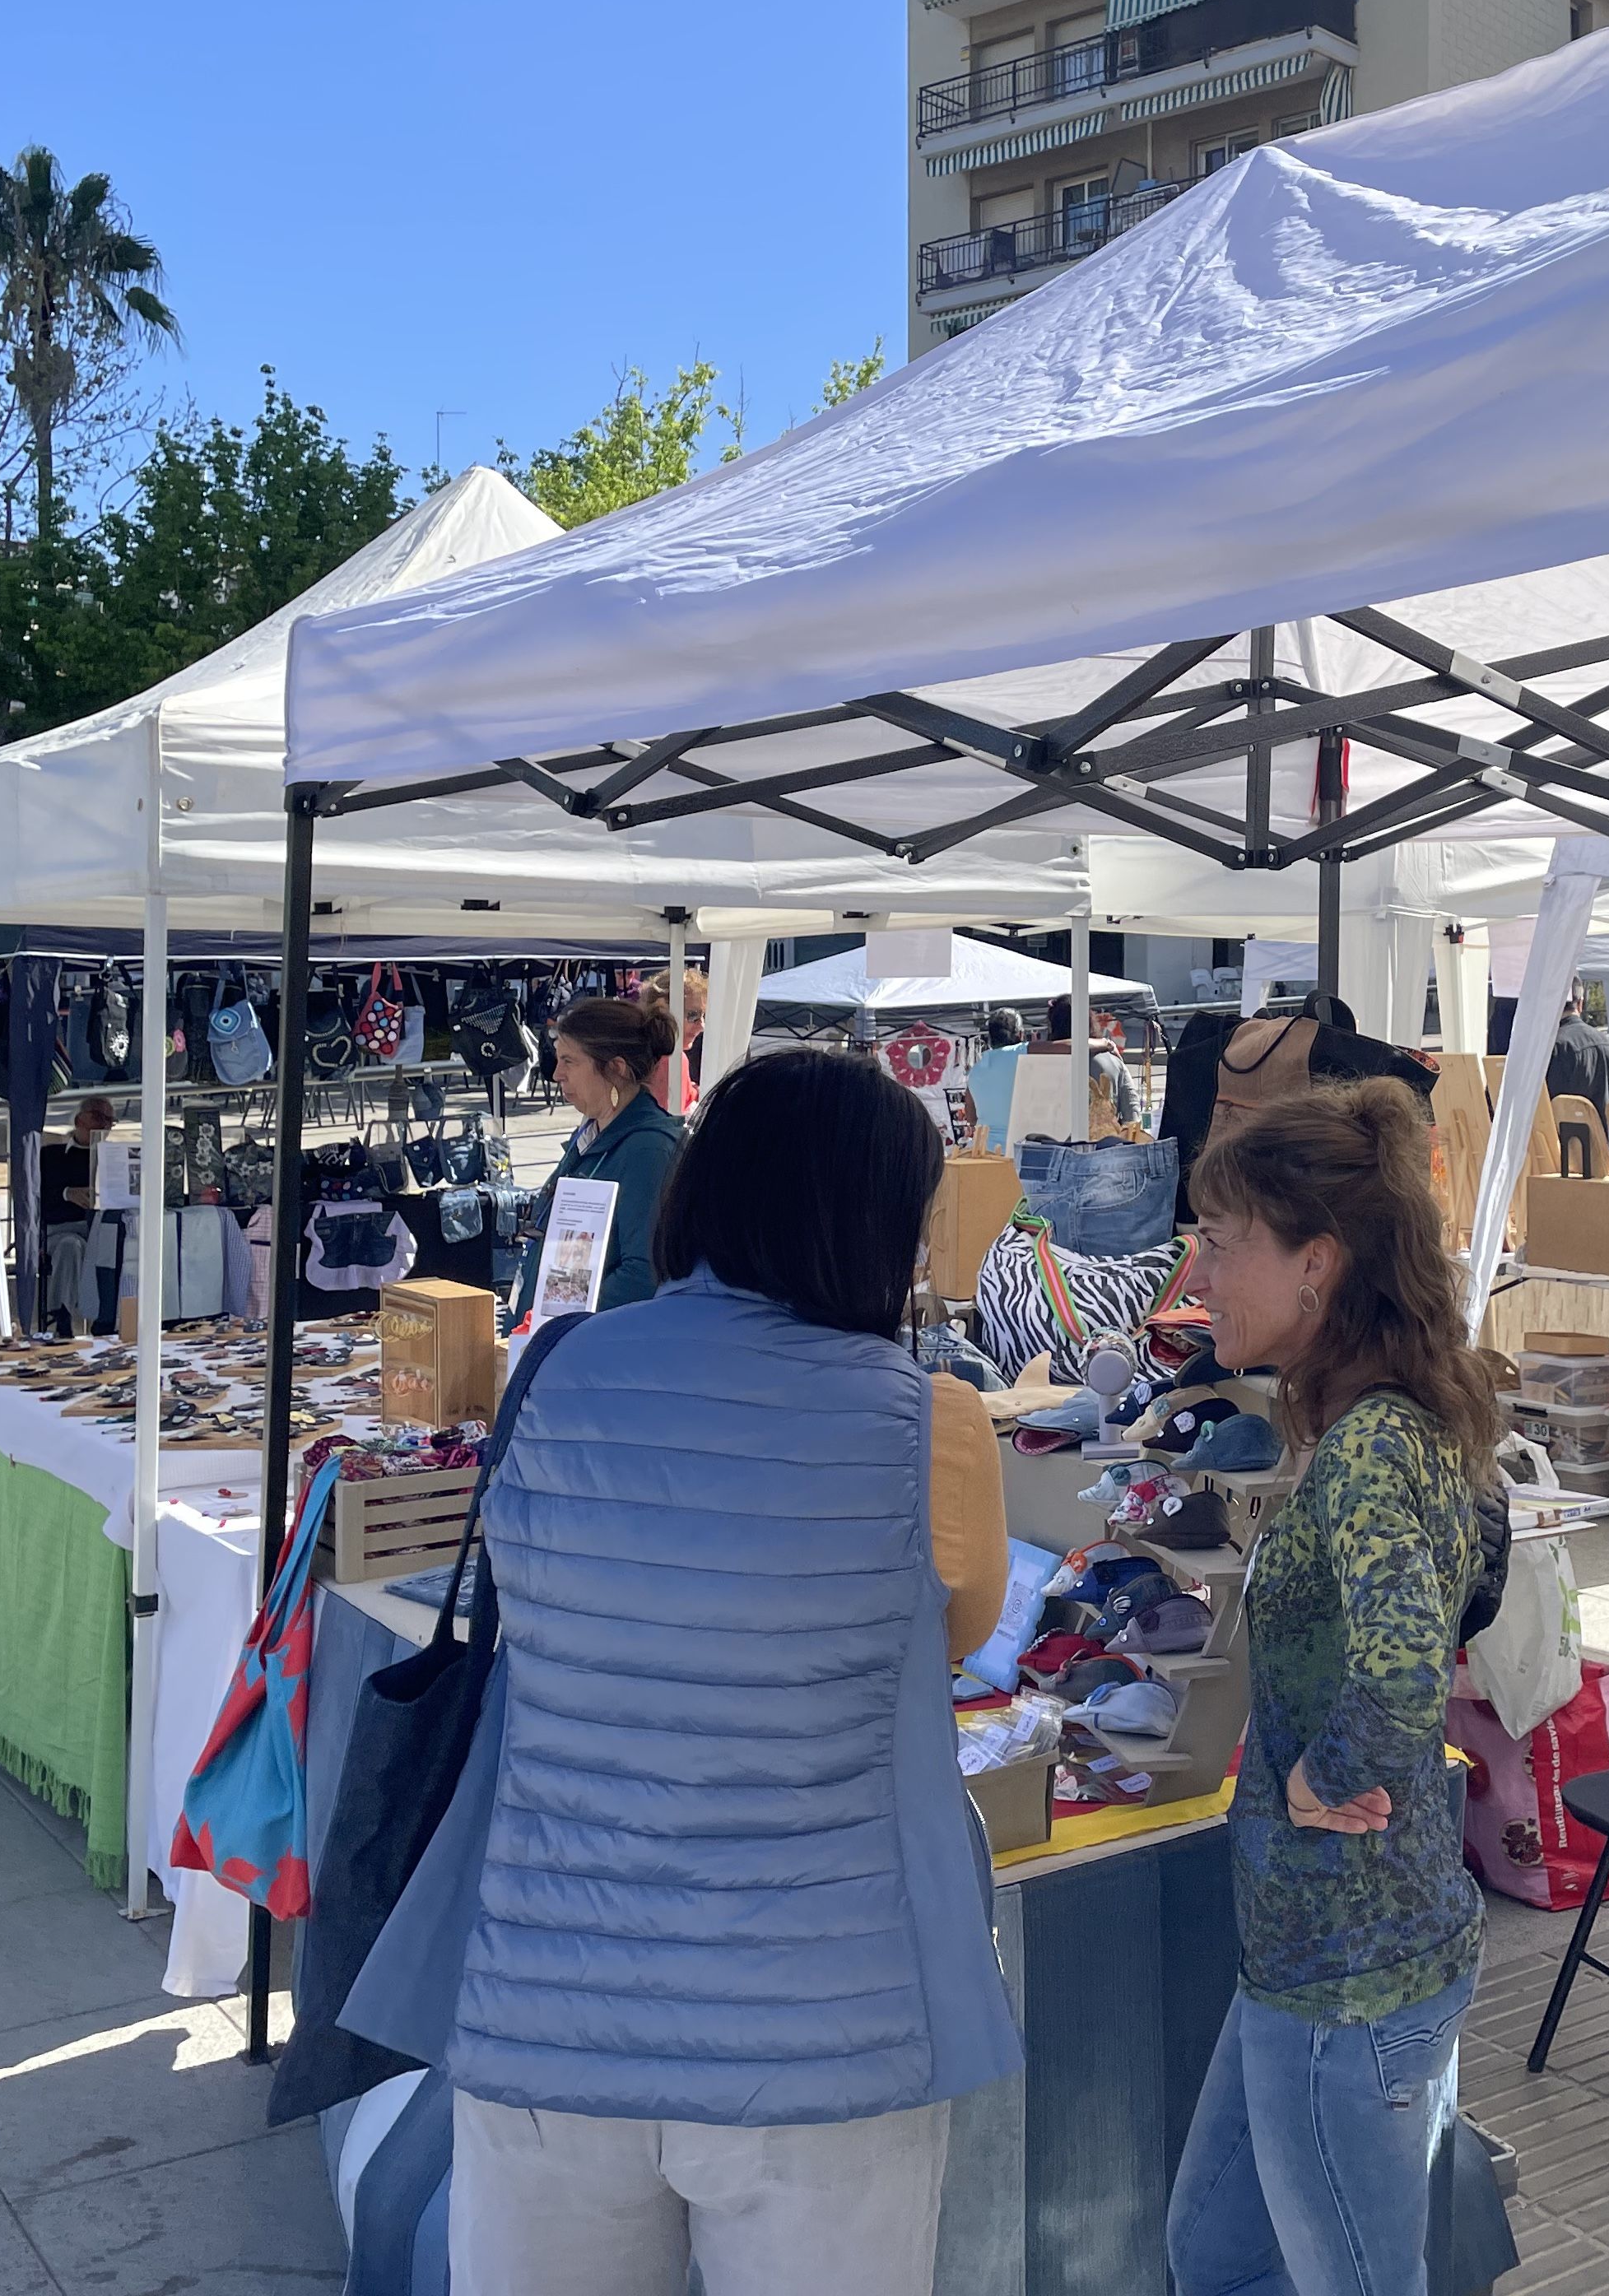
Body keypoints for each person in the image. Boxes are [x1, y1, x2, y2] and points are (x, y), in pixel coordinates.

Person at [449, 1049, 1018, 2295]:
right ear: (870, 1222)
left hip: (552, 2002)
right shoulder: (935, 1423)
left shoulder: (552, 1376)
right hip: (824, 2023)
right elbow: (955, 1632)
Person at [1168, 1080, 1501, 2296]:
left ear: (1316, 1264)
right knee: (1214, 2255)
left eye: (1219, 1243)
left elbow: (1409, 1665)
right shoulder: (1401, 1418)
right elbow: (1484, 1568)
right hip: (1330, 1954)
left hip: (1350, 1977)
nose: (1197, 1273)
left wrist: (1332, 1770)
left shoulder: (1366, 1443)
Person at [513, 998, 686, 1315]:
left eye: (569, 1061)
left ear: (616, 1069)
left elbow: (644, 1273)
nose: (556, 1075)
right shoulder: (595, 1132)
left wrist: (562, 1320)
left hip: (586, 1346)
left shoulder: (649, 1150)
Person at [40, 1097, 117, 1334]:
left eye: (109, 1121)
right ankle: (61, 1315)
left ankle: (109, 1321)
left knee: (122, 1248)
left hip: (101, 1230)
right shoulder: (51, 1156)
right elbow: (36, 1200)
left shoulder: (113, 1159)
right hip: (61, 1230)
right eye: (98, 1117)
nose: (104, 1125)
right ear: (79, 1120)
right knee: (71, 1246)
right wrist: (66, 1194)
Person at [1037, 993, 1140, 1131]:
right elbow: (1132, 1116)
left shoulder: (1042, 1065)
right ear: (1090, 1021)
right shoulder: (1114, 1061)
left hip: (1057, 1145)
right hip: (1106, 1144)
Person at [636, 963, 708, 1112]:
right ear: (663, 1010)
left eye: (703, 1016)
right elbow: (670, 1123)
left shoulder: (637, 1048)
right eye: (693, 1015)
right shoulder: (672, 1060)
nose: (702, 1026)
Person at [1542, 991, 1609, 1110]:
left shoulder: (1552, 1047)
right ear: (1580, 1003)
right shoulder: (1607, 1044)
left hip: (1564, 1128)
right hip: (1603, 1128)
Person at [965, 1005, 1026, 1146]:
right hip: (1020, 1149)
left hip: (984, 1149)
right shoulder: (1022, 1052)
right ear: (1020, 1034)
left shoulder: (976, 1069)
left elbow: (971, 1116)